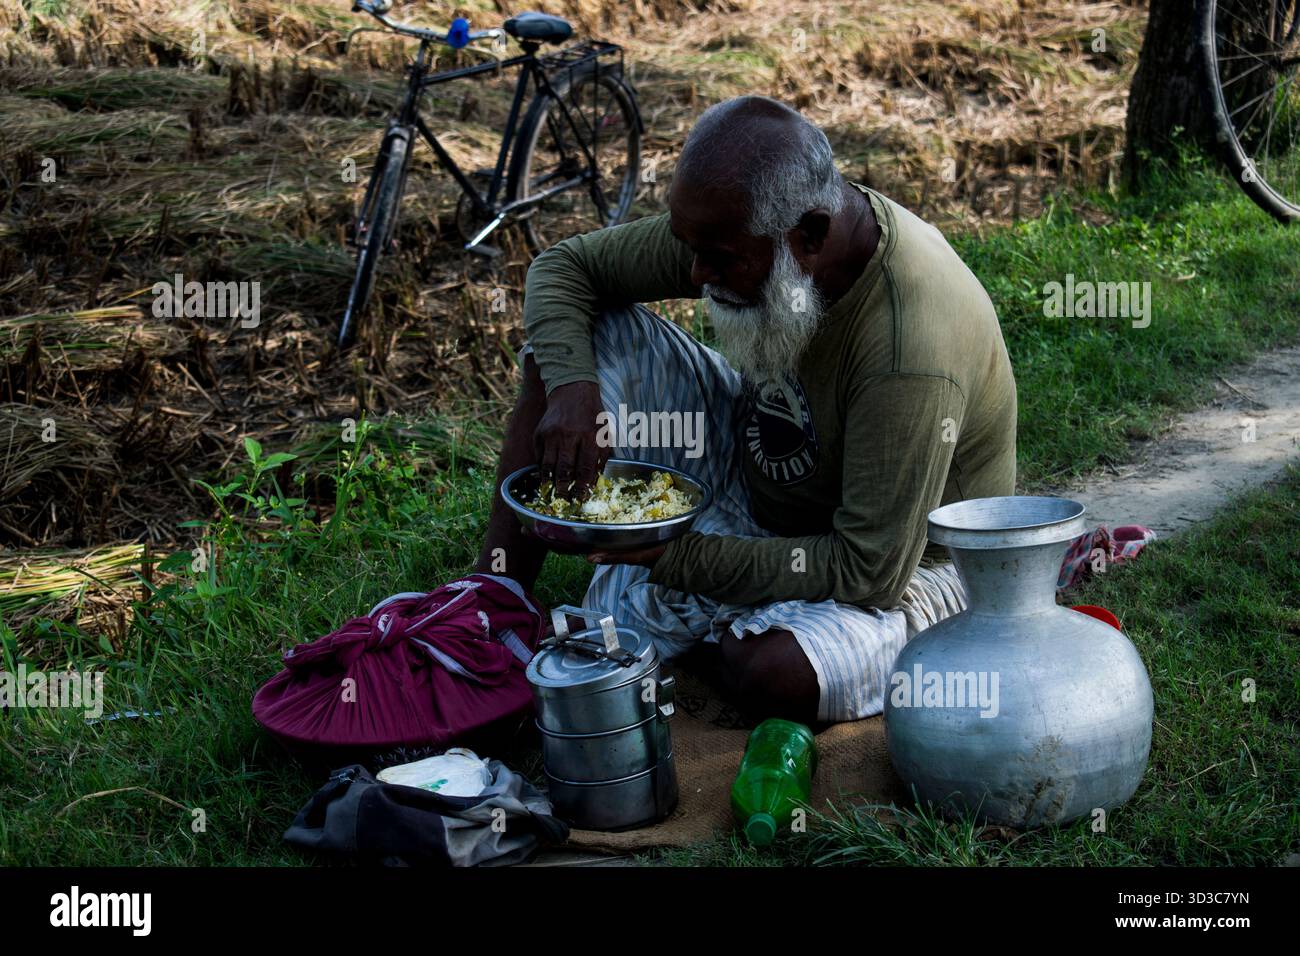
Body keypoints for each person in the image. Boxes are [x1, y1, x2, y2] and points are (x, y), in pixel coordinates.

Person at [473, 95, 1017, 725]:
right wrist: (573, 388)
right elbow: (565, 269)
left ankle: (723, 625)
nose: (698, 274)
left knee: (770, 671)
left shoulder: (910, 344)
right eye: (689, 248)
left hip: (908, 562)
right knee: (568, 346)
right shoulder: (745, 224)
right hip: (758, 475)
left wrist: (680, 559)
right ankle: (493, 603)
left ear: (809, 236)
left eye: (721, 258)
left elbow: (870, 570)